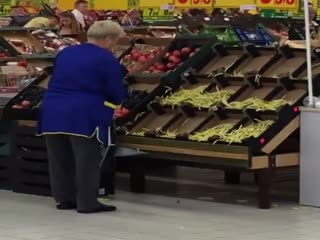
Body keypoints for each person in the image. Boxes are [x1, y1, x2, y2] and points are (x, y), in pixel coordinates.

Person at [37, 20, 126, 214]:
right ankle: (87, 202)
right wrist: (117, 104)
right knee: (86, 159)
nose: (115, 45)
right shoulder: (106, 58)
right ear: (109, 39)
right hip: (83, 113)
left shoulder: (65, 52)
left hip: (52, 110)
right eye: (116, 41)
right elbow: (114, 88)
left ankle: (64, 199)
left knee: (59, 158)